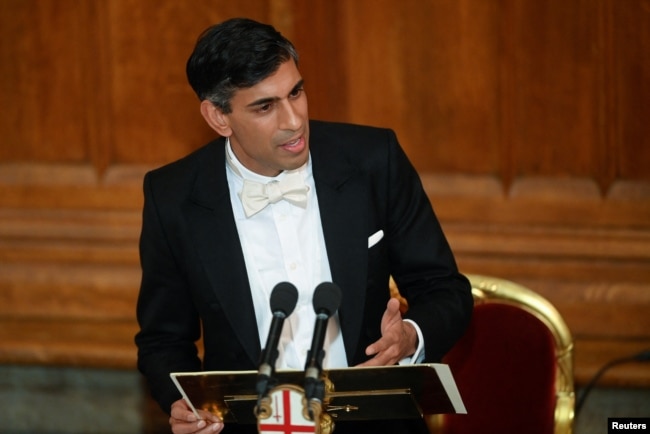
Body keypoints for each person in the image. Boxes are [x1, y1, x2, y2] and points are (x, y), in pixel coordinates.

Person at [135, 17, 473, 434]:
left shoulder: (373, 160)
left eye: (296, 92)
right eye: (265, 106)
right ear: (219, 117)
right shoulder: (173, 197)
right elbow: (163, 340)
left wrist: (410, 336)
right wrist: (182, 403)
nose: (294, 121)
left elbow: (446, 290)